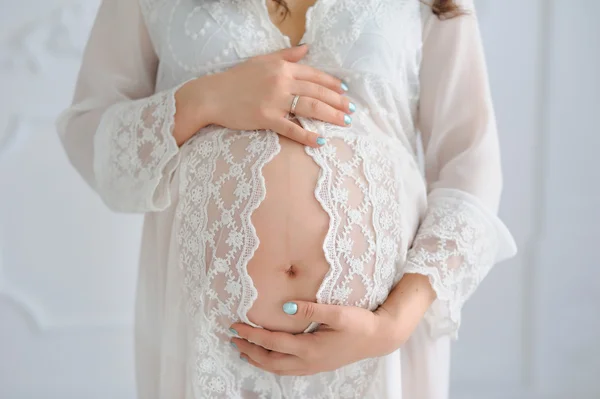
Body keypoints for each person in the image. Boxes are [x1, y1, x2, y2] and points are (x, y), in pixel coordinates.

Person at [56, 0, 517, 397]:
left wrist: (392, 325)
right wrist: (205, 100)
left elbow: (470, 164)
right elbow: (89, 138)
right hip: (206, 345)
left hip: (376, 348)